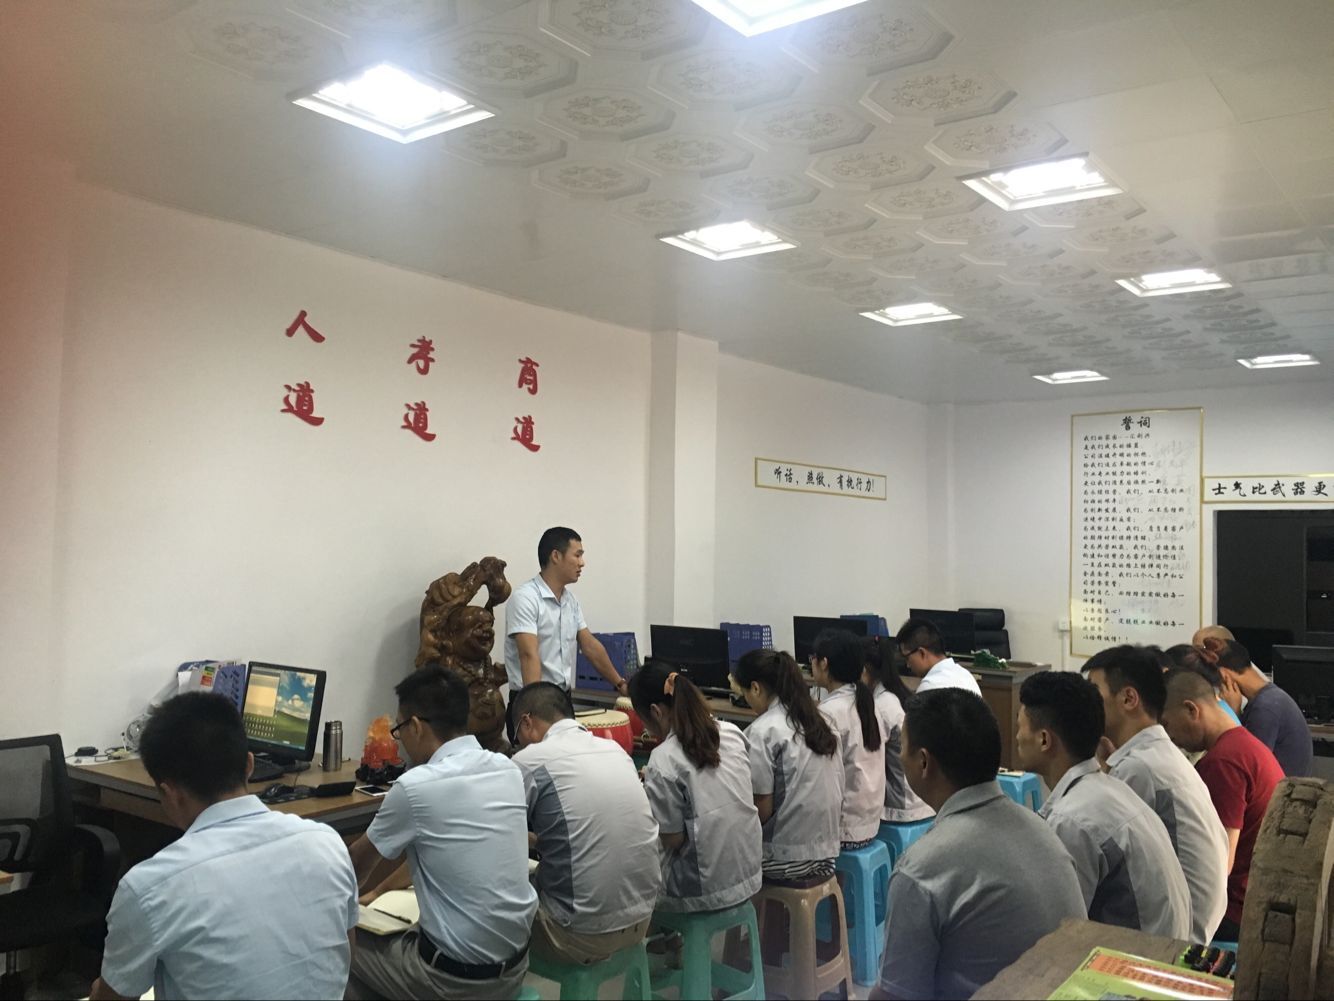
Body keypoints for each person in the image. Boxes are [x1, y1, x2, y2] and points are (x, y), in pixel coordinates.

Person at [90, 692, 358, 1001]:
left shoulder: (149, 887)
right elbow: (345, 955)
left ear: (170, 793)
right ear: (249, 765)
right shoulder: (327, 844)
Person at [871, 690, 1085, 1001]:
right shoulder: (1042, 829)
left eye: (901, 747)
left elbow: (896, 995)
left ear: (923, 762)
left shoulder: (922, 869)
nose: (900, 757)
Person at [346, 666, 536, 1000]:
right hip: (516, 970)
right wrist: (378, 892)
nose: (401, 741)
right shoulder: (507, 770)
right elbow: (446, 851)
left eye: (398, 729)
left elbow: (352, 872)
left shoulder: (415, 787)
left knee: (333, 941)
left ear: (415, 726)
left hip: (453, 982)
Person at [1015, 671, 1192, 937]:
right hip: (1164, 949)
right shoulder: (1111, 790)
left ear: (1044, 739)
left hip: (1137, 958)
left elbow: (1058, 930)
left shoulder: (1071, 820)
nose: (1017, 737)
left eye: (1020, 727)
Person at [1082, 645, 1229, 944]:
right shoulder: (1157, 755)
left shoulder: (1140, 769)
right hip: (1194, 921)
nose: (1086, 705)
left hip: (1176, 938)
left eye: (1094, 693)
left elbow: (1095, 847)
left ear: (1128, 698)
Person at [509, 681, 661, 964]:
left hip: (579, 933)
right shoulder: (615, 751)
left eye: (517, 734)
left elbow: (496, 837)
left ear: (527, 722)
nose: (519, 744)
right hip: (643, 920)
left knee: (496, 901)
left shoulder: (529, 760)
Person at [1161, 666, 1286, 943]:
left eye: (1167, 725)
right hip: (1259, 896)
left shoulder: (1223, 762)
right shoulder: (1245, 744)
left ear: (1191, 709)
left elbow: (1218, 864)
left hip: (1236, 911)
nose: (1169, 738)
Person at [630, 659, 763, 913]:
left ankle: (662, 935)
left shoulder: (663, 759)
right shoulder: (732, 732)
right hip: (750, 874)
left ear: (656, 712)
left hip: (702, 890)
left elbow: (672, 840)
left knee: (632, 867)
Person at [732, 648, 844, 882]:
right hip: (827, 855)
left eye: (745, 693)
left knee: (716, 854)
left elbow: (761, 810)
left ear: (755, 688)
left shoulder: (763, 731)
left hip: (782, 859)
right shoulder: (823, 721)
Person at [504, 527, 626, 694]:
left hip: (562, 696)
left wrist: (620, 684)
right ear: (556, 556)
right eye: (577, 555)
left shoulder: (571, 601)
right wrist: (536, 704)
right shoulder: (526, 598)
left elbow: (590, 646)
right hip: (533, 698)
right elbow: (528, 655)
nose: (582, 563)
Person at [811, 628, 886, 849]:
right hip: (869, 823)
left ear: (824, 663)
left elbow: (818, 778)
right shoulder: (867, 703)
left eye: (812, 659)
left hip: (844, 832)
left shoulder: (829, 713)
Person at [1206, 638, 1312, 777]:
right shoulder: (1268, 698)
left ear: (1224, 676)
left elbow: (1245, 764)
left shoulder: (1265, 708)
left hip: (1280, 789)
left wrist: (1232, 714)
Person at [862, 636, 933, 823]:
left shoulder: (881, 706)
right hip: (922, 799)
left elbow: (867, 759)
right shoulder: (898, 695)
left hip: (901, 805)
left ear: (865, 670)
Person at [894, 617, 982, 697]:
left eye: (907, 658)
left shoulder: (930, 686)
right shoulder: (966, 676)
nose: (908, 665)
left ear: (922, 653)